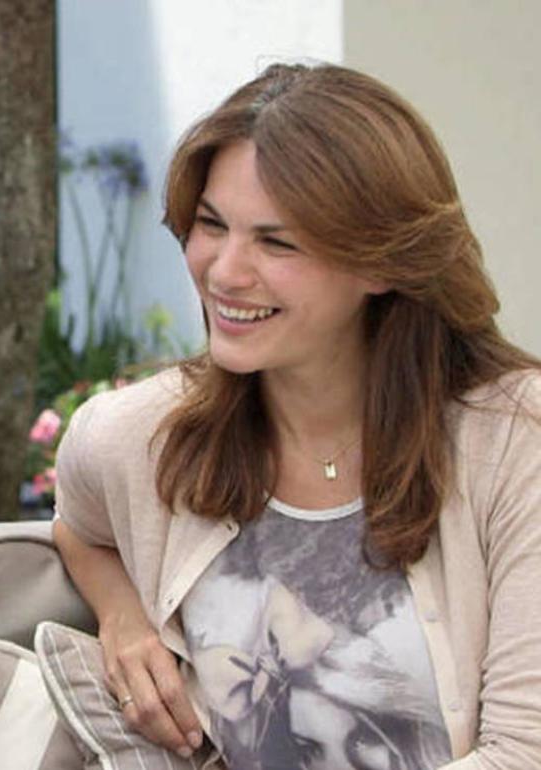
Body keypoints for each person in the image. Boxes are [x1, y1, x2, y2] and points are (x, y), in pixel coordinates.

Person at [52, 62, 541, 769]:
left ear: (382, 262)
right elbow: (78, 524)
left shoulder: (516, 438)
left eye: (276, 242)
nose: (224, 271)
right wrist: (123, 619)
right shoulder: (140, 436)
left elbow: (525, 751)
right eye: (211, 225)